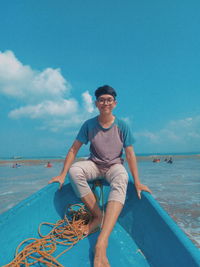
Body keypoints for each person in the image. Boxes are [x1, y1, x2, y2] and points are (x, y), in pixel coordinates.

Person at [49, 85, 152, 267]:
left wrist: (137, 182)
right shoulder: (89, 125)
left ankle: (101, 242)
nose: (106, 103)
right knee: (75, 171)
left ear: (115, 103)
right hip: (95, 165)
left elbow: (129, 154)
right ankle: (97, 216)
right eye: (102, 100)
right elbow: (74, 149)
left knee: (121, 177)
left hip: (114, 166)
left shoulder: (122, 125)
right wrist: (61, 174)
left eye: (109, 100)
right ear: (96, 103)